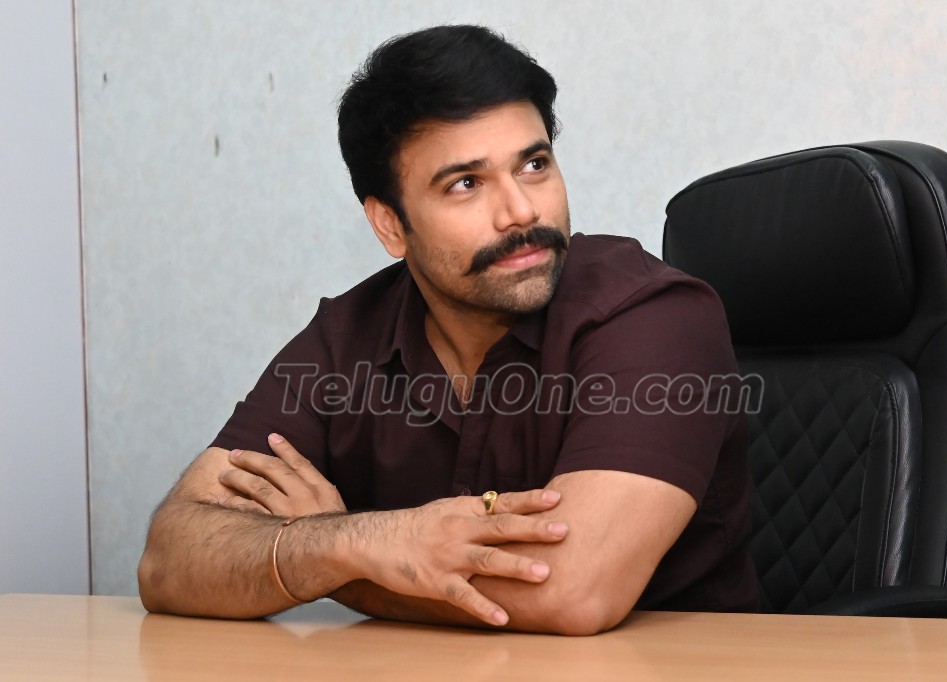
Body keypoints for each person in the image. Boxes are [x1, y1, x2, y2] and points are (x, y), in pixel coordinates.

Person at [138, 24, 759, 636]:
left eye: (534, 164)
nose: (521, 211)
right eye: (466, 183)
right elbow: (170, 561)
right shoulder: (345, 338)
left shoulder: (655, 316)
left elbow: (571, 591)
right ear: (390, 225)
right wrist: (350, 543)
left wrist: (337, 558)